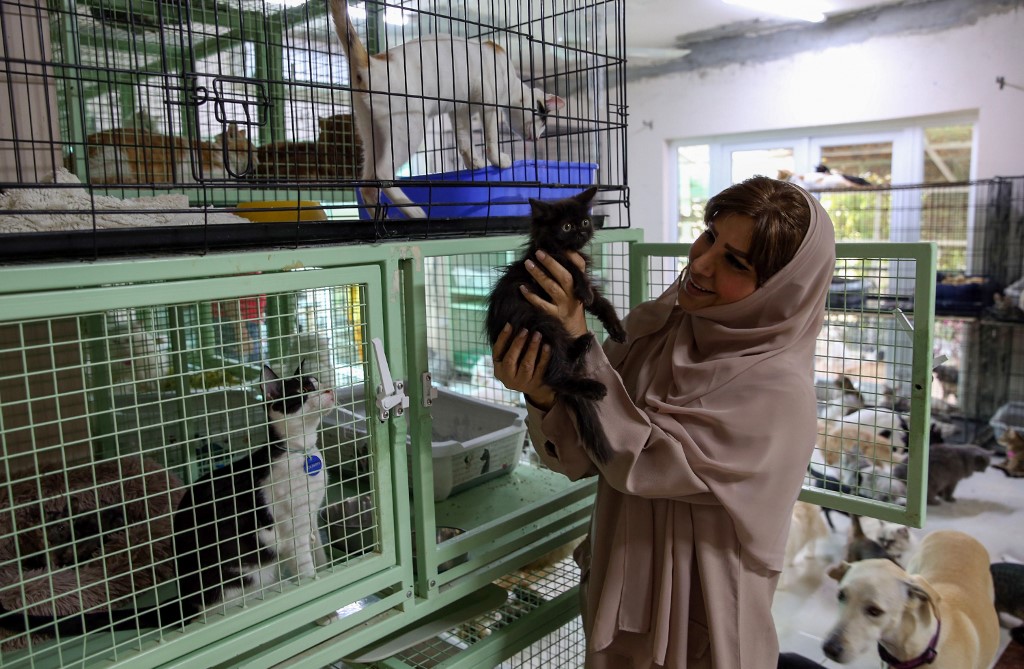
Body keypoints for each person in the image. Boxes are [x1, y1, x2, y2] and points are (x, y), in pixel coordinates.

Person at [491, 175, 836, 669]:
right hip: (618, 588)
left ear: (781, 291)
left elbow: (641, 464)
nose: (702, 263)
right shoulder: (655, 329)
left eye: (736, 262)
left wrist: (581, 345)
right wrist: (542, 393)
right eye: (709, 236)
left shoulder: (778, 392)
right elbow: (586, 458)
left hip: (703, 617)